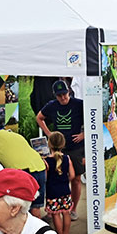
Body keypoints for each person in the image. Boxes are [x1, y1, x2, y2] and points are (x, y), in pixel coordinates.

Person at [36, 80, 85, 220]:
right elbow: (39, 117)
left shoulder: (79, 104)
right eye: (59, 96)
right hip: (58, 148)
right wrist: (49, 133)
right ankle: (53, 210)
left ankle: (73, 209)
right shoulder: (52, 106)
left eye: (64, 94)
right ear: (55, 96)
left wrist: (84, 134)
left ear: (69, 91)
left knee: (75, 179)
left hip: (75, 148)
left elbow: (93, 117)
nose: (63, 98)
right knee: (53, 178)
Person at [0, 125, 48, 218]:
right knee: (35, 207)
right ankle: (37, 230)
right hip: (39, 167)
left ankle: (27, 231)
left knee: (21, 210)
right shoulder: (13, 134)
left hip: (23, 172)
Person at [45, 132, 75, 234]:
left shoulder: (46, 161)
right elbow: (72, 175)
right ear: (63, 144)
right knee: (66, 212)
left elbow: (45, 178)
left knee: (56, 214)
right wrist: (65, 181)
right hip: (65, 190)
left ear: (49, 144)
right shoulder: (67, 158)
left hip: (52, 192)